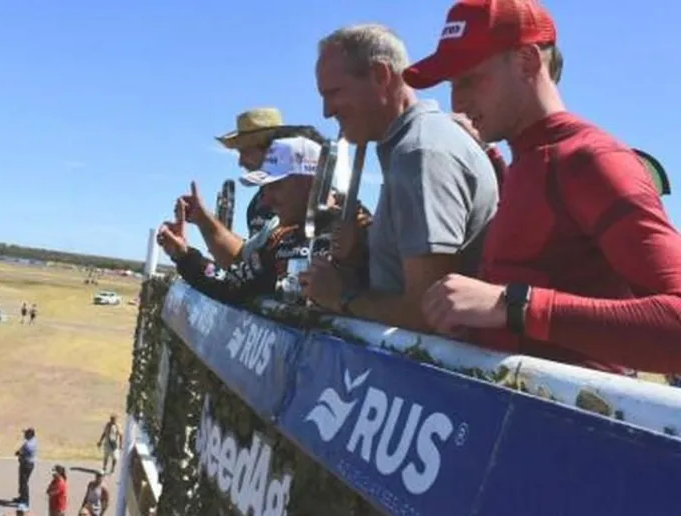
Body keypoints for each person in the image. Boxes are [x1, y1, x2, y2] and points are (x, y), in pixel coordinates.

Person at [405, 0, 681, 372]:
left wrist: (513, 305)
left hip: (575, 426)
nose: (456, 101)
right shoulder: (526, 160)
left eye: (468, 79)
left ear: (527, 62)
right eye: (452, 84)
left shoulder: (592, 159)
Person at [302, 24, 499, 332]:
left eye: (334, 93)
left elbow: (431, 314)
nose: (327, 112)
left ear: (382, 76)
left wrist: (342, 296)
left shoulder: (418, 154)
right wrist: (362, 255)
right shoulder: (414, 147)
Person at [159, 137, 335, 305]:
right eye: (264, 188)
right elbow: (228, 284)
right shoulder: (281, 241)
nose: (265, 200)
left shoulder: (354, 237)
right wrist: (183, 255)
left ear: (309, 182)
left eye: (274, 186)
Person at [196, 107, 329, 267]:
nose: (240, 161)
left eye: (245, 151)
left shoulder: (348, 229)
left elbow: (244, 263)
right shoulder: (260, 201)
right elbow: (247, 258)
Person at [13, 429, 37, 510]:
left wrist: (18, 453)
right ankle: (21, 497)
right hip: (28, 464)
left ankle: (25, 501)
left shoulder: (28, 445)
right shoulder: (33, 441)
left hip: (26, 465)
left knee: (24, 483)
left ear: (30, 435)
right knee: (22, 481)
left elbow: (21, 453)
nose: (24, 435)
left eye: (26, 434)